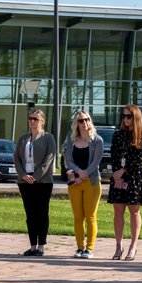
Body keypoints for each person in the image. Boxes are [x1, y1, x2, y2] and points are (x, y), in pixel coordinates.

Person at [108, 104, 142, 261]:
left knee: (134, 211)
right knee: (118, 211)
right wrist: (117, 175)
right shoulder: (118, 135)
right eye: (124, 116)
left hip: (134, 177)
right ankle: (119, 245)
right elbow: (114, 154)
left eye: (129, 116)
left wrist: (123, 172)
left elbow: (139, 159)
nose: (125, 119)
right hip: (118, 177)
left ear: (136, 117)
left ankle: (133, 246)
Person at [14, 108, 57, 256]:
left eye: (35, 119)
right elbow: (17, 159)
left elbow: (49, 159)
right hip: (25, 181)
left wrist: (36, 176)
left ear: (42, 121)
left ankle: (41, 246)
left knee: (42, 213)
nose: (32, 121)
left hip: (43, 181)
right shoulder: (23, 139)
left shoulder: (48, 138)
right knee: (30, 214)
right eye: (30, 118)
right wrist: (24, 175)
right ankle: (32, 245)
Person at [64, 111, 104, 258]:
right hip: (75, 183)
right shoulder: (71, 139)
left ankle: (89, 248)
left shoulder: (97, 140)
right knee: (78, 217)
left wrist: (84, 174)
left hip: (92, 182)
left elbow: (96, 162)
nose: (84, 123)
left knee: (90, 216)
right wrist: (78, 172)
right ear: (76, 123)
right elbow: (68, 159)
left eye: (87, 119)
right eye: (81, 120)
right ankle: (80, 248)